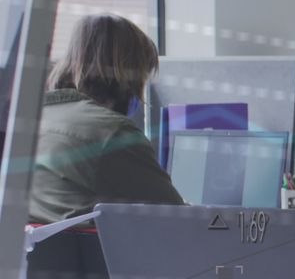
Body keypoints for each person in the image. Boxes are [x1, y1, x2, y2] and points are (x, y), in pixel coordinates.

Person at [29, 14, 184, 225]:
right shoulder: (112, 133)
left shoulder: (31, 121)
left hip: (43, 256)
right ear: (131, 76)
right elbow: (182, 220)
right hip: (103, 256)